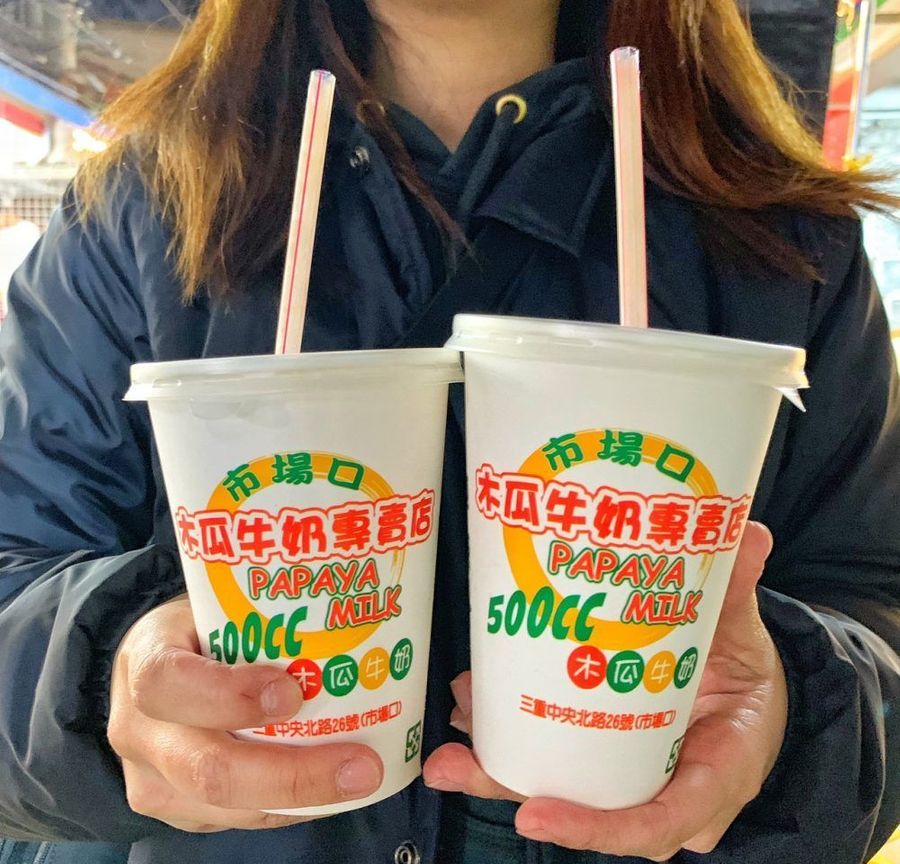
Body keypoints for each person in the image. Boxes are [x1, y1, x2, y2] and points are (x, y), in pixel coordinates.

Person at [0, 1, 897, 863]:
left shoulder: (788, 244)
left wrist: (790, 718)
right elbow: (17, 576)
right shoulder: (135, 214)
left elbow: (873, 607)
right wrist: (107, 675)